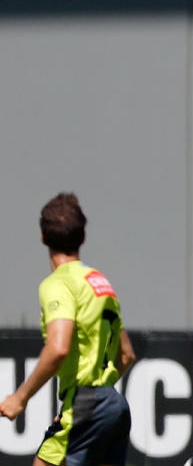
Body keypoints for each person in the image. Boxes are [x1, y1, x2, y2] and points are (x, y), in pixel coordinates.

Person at [0, 192, 137, 466]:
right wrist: (98, 399)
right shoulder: (100, 282)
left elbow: (58, 348)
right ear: (82, 238)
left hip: (87, 403)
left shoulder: (58, 284)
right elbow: (127, 356)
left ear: (42, 238)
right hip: (115, 405)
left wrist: (20, 397)